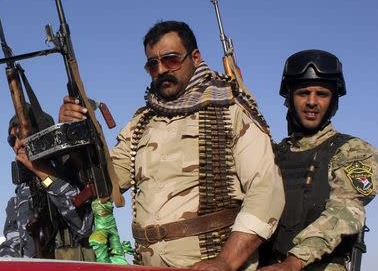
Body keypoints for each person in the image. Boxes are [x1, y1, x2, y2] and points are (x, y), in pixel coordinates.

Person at [59, 20, 284, 270]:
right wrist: (73, 134)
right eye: (152, 64)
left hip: (210, 262)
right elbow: (106, 183)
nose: (162, 69)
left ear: (195, 58)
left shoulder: (229, 109)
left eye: (171, 59)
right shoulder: (142, 122)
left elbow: (266, 191)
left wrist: (225, 261)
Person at [259, 50, 377, 271]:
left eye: (321, 94)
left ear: (333, 101)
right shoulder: (271, 152)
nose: (312, 102)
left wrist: (293, 262)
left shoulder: (353, 151)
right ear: (290, 99)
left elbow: (346, 211)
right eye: (303, 93)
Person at [0, 108, 95, 261]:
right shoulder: (21, 193)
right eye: (11, 140)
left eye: (20, 136)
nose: (16, 145)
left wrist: (42, 172)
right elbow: (13, 241)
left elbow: (83, 227)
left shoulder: (70, 173)